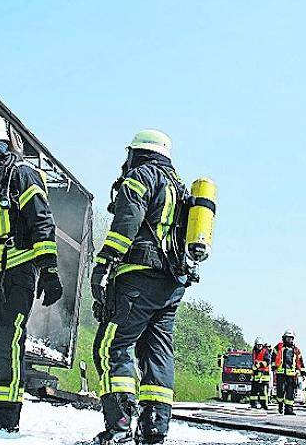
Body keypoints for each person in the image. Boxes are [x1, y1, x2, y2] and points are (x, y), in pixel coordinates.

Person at [89, 129, 192, 444]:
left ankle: (118, 427)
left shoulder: (143, 176)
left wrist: (104, 263)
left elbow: (126, 224)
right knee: (157, 353)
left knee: (111, 347)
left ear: (139, 153)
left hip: (138, 277)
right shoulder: (181, 188)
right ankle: (153, 431)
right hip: (172, 284)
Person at [0, 113, 63, 432]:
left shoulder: (21, 174)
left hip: (19, 266)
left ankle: (7, 419)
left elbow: (42, 222)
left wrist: (48, 270)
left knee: (7, 339)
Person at [273, 330, 305, 415]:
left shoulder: (296, 350)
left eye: (291, 338)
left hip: (292, 375)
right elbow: (273, 358)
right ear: (284, 338)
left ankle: (288, 409)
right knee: (280, 391)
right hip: (280, 373)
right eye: (287, 338)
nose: (289, 340)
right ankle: (280, 404)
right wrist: (274, 367)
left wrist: (303, 373)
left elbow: (300, 362)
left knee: (290, 392)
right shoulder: (278, 347)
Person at [249, 338, 272, 409]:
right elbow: (252, 361)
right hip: (255, 374)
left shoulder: (265, 352)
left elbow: (268, 361)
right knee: (253, 391)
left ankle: (264, 405)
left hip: (264, 375)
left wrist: (260, 364)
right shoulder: (254, 351)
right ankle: (253, 404)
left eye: (260, 345)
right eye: (257, 345)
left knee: (262, 392)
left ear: (262, 345)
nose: (259, 346)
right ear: (255, 345)